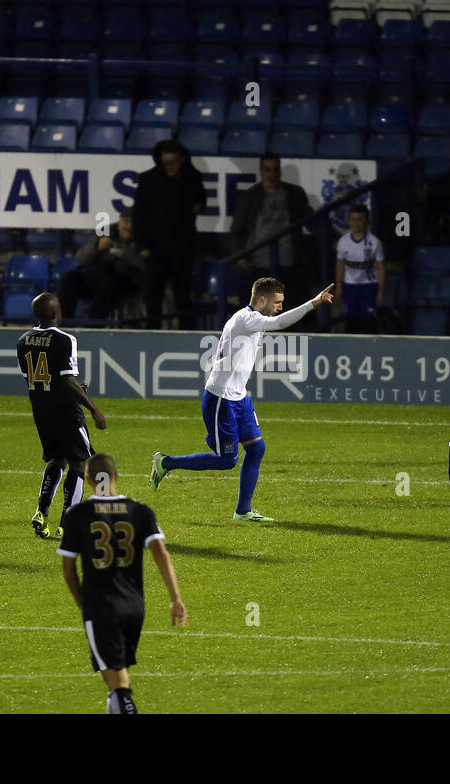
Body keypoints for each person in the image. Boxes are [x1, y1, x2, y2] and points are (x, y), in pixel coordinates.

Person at [150, 277, 335, 521]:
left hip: (239, 397)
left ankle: (243, 511)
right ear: (261, 300)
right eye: (277, 302)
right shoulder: (246, 319)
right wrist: (314, 302)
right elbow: (279, 322)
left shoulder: (252, 322)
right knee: (227, 460)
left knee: (257, 448)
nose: (280, 306)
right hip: (221, 398)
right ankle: (166, 463)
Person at [58, 453, 186, 714]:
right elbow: (161, 553)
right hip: (135, 607)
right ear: (116, 476)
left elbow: (69, 571)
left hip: (101, 607)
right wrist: (176, 598)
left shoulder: (77, 515)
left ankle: (122, 706)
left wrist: (84, 605)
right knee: (117, 672)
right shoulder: (139, 511)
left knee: (118, 684)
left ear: (89, 480)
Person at [19, 292, 107, 539]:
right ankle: (68, 523)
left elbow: (40, 379)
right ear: (56, 313)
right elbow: (67, 381)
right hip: (66, 411)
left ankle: (40, 511)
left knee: (57, 459)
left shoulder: (23, 340)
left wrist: (76, 388)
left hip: (41, 410)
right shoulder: (66, 339)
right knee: (79, 463)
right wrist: (93, 408)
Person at [133, 139, 207, 330]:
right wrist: (142, 246)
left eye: (174, 161)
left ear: (182, 160)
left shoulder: (192, 178)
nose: (170, 166)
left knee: (183, 294)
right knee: (153, 296)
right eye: (166, 162)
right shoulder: (149, 179)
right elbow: (138, 215)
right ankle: (152, 336)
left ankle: (186, 336)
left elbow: (201, 202)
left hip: (182, 248)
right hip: (155, 248)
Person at [229, 152, 314, 306]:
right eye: (267, 170)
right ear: (261, 172)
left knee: (288, 314)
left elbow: (312, 221)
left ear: (280, 171)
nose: (271, 174)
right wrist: (239, 257)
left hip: (288, 265)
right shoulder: (249, 196)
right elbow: (236, 230)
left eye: (275, 170)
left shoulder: (294, 194)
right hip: (257, 266)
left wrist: (333, 238)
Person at [63, 208, 147, 320]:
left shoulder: (143, 240)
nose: (129, 226)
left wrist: (123, 254)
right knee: (70, 279)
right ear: (119, 223)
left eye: (132, 222)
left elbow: (145, 265)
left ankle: (94, 326)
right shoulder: (105, 233)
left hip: (126, 283)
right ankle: (64, 324)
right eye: (126, 222)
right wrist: (97, 247)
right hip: (97, 279)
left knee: (108, 284)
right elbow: (81, 258)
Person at [334, 204, 386, 334]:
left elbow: (381, 267)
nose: (356, 223)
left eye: (359, 220)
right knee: (350, 321)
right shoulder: (343, 241)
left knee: (368, 322)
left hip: (368, 287)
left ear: (366, 221)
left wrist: (380, 291)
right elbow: (340, 264)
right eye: (353, 219)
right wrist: (339, 286)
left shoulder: (375, 242)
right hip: (350, 287)